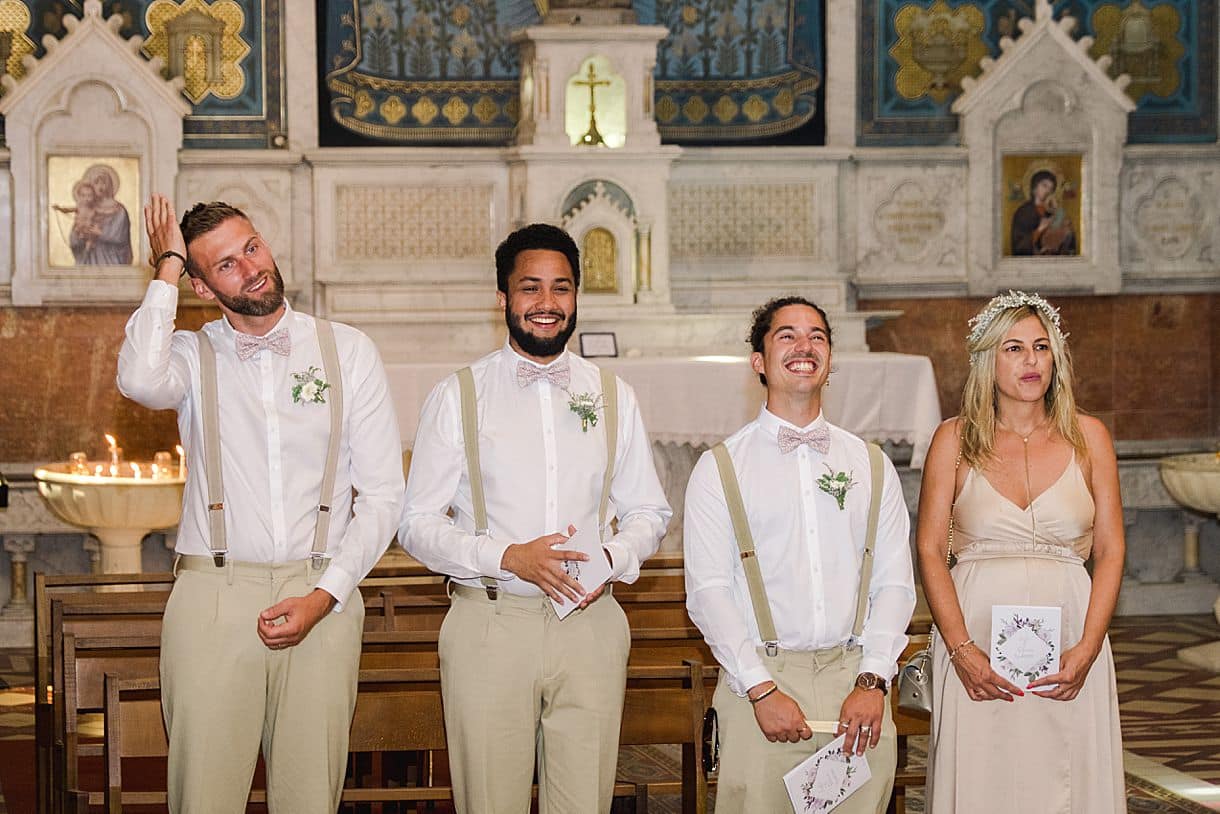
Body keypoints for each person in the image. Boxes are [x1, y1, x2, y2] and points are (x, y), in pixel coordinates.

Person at [117, 194, 404, 813]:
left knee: (309, 799)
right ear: (200, 284)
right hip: (212, 598)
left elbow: (383, 496)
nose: (251, 268)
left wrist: (325, 595)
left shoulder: (346, 350)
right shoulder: (192, 357)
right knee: (205, 798)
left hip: (321, 591)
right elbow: (139, 378)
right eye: (225, 265)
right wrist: (165, 267)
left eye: (252, 247)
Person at [400, 223, 671, 814]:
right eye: (531, 288)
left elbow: (649, 510)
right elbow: (416, 522)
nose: (547, 304)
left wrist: (614, 558)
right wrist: (505, 556)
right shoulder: (458, 395)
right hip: (490, 625)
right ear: (503, 296)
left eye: (562, 288)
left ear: (576, 296)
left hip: (591, 628)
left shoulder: (613, 394)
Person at [684, 296, 915, 813]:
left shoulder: (869, 464)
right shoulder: (720, 469)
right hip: (759, 681)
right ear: (759, 362)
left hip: (856, 682)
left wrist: (873, 679)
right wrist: (762, 689)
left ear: (829, 359)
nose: (804, 345)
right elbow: (709, 593)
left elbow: (895, 583)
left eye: (816, 335)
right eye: (786, 335)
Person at [917, 291, 1125, 813]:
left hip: (1075, 636)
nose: (1031, 361)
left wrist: (1088, 647)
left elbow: (1112, 549)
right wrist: (961, 650)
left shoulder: (1090, 437)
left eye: (1041, 347)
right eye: (1013, 348)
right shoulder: (953, 440)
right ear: (988, 360)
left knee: (1071, 774)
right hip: (974, 640)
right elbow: (927, 550)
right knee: (982, 775)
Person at [72, 163, 133, 265]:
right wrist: (79, 234)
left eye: (103, 183)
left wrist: (100, 233)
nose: (100, 187)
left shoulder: (119, 211)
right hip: (89, 260)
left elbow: (121, 237)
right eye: (96, 183)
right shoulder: (87, 208)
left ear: (110, 185)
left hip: (112, 260)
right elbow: (74, 239)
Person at [1010, 170, 1076, 256]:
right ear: (1034, 187)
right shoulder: (1023, 212)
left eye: (1051, 189)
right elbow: (1019, 246)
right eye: (1044, 185)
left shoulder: (1051, 211)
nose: (1047, 191)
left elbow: (1069, 240)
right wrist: (1039, 229)